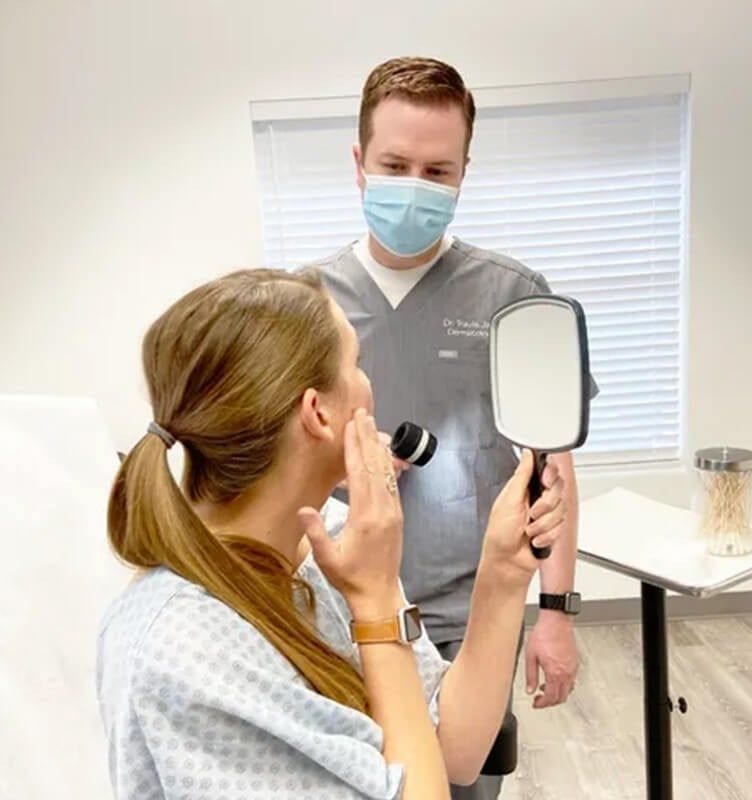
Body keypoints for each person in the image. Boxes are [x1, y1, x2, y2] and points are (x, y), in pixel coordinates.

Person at [96, 268, 567, 799]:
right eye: (357, 364)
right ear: (317, 412)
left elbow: (451, 748)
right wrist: (377, 601)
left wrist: (502, 573)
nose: (369, 386)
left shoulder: (330, 542)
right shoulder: (187, 651)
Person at [315, 57, 598, 800]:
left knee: (460, 785)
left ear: (466, 170)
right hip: (332, 614)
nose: (415, 186)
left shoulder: (513, 298)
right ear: (358, 163)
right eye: (395, 164)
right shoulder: (304, 305)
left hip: (470, 617)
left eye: (437, 172)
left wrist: (555, 614)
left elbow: (551, 471)